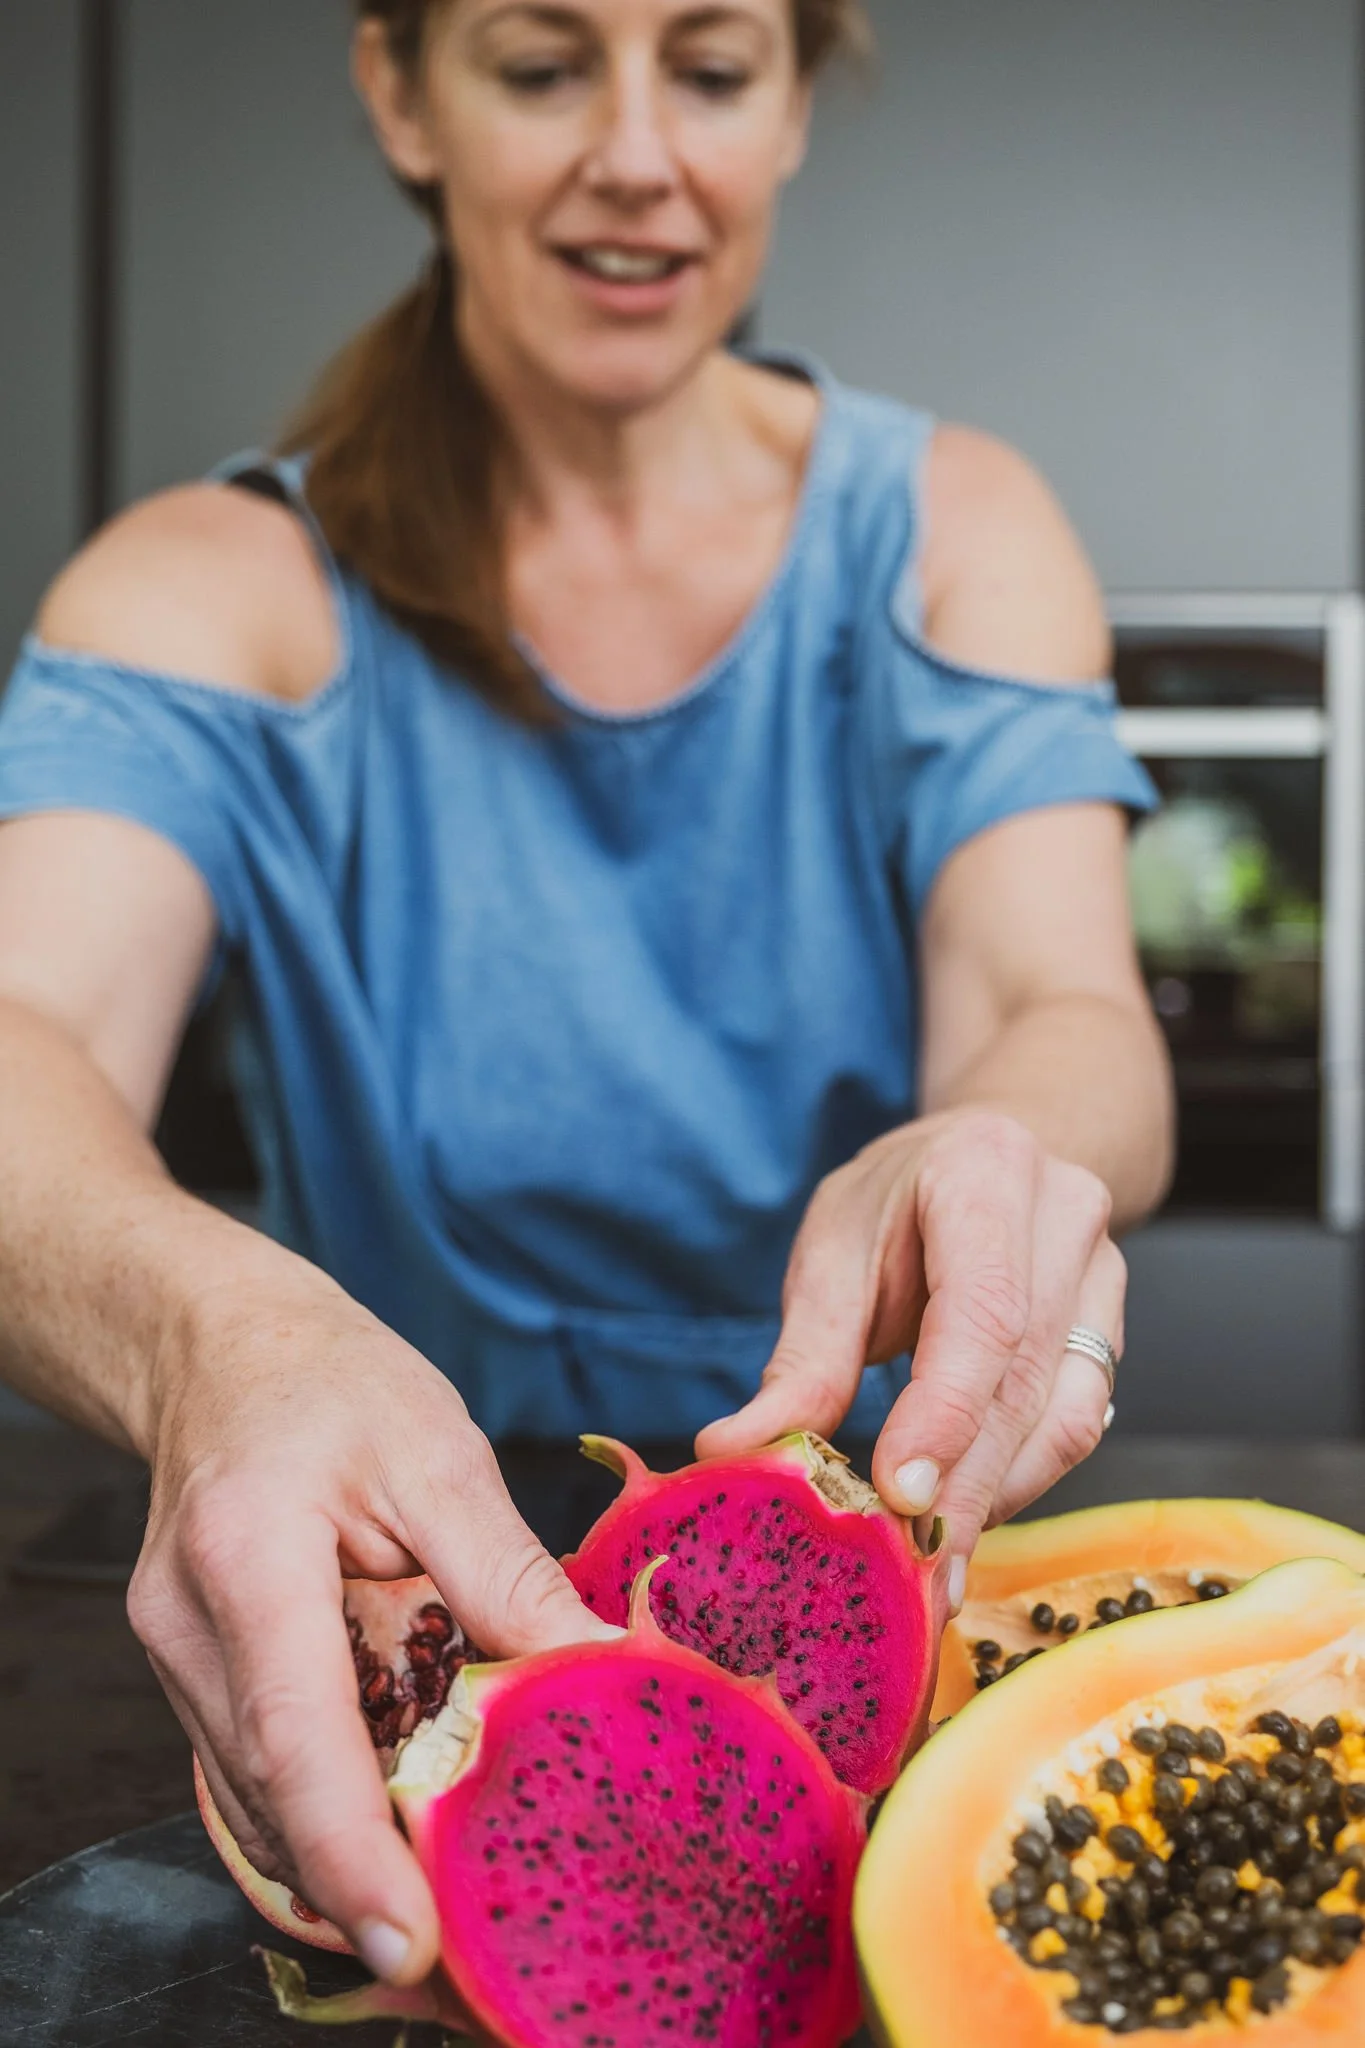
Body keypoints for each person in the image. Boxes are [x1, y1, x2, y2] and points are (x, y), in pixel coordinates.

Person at [0, 0, 1171, 1992]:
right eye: (543, 67)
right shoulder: (206, 590)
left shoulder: (956, 531)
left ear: (794, 103)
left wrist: (990, 1138)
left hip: (902, 1535)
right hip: (384, 1560)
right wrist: (214, 1335)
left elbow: (1062, 998)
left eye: (709, 70)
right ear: (400, 91)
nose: (638, 154)